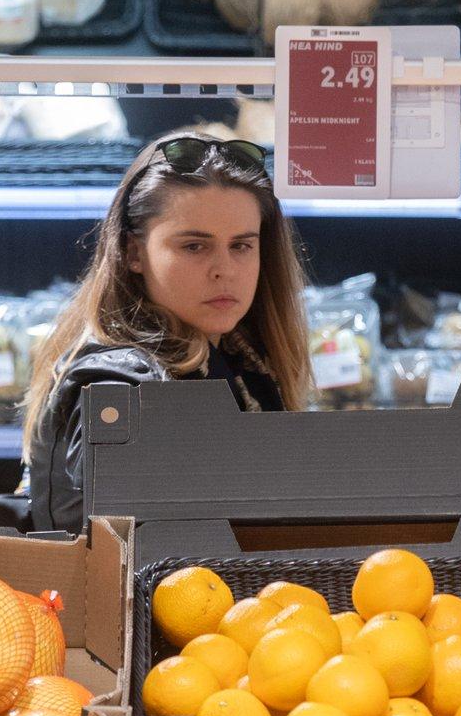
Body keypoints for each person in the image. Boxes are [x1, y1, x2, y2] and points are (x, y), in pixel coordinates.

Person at [20, 134, 312, 531]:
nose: (224, 269)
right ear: (133, 253)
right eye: (194, 246)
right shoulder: (123, 385)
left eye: (241, 246)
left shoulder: (243, 364)